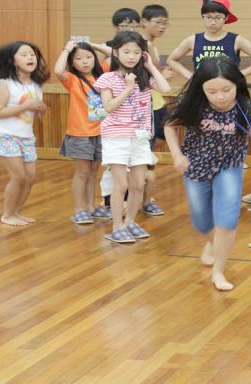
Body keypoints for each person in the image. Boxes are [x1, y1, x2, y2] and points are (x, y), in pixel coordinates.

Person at [164, 56, 251, 291]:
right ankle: (212, 242)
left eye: (226, 90)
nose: (220, 96)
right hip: (196, 166)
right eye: (211, 91)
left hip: (229, 166)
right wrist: (177, 156)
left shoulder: (247, 108)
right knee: (202, 221)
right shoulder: (192, 103)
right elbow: (170, 127)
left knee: (227, 218)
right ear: (201, 89)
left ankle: (218, 271)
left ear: (237, 85)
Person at [94, 31, 170, 243]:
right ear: (116, 53)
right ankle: (117, 226)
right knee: (121, 184)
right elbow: (109, 107)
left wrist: (150, 66)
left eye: (137, 52)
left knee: (138, 184)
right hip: (116, 136)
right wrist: (128, 88)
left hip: (139, 137)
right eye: (126, 52)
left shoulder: (144, 77)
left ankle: (129, 222)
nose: (131, 56)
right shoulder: (108, 78)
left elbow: (166, 88)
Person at [0, 41, 49, 226]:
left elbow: (35, 114)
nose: (30, 58)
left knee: (31, 177)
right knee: (19, 176)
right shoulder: (5, 84)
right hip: (5, 135)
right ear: (13, 60)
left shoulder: (35, 86)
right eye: (24, 55)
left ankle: (16, 212)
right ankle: (7, 215)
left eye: (32, 55)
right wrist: (26, 106)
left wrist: (41, 110)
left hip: (26, 137)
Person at [54, 40, 110, 224]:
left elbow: (115, 54)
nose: (85, 61)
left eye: (88, 57)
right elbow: (58, 71)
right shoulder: (73, 79)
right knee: (82, 172)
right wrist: (67, 49)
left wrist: (93, 45)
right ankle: (79, 209)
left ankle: (90, 207)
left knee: (93, 172)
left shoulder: (102, 75)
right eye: (78, 58)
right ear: (72, 62)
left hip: (100, 132)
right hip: (80, 134)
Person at [166, 0, 251, 79]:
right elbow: (171, 60)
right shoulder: (193, 40)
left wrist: (239, 75)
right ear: (202, 17)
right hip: (201, 88)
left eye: (218, 18)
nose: (213, 22)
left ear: (226, 18)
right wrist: (189, 76)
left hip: (227, 88)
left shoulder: (237, 40)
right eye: (208, 17)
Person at [139, 4, 173, 216]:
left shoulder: (152, 44)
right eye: (158, 22)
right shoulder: (142, 46)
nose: (162, 27)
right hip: (147, 107)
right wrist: (160, 77)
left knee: (153, 146)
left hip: (158, 104)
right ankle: (142, 197)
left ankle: (143, 194)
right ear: (144, 22)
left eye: (165, 23)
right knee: (145, 154)